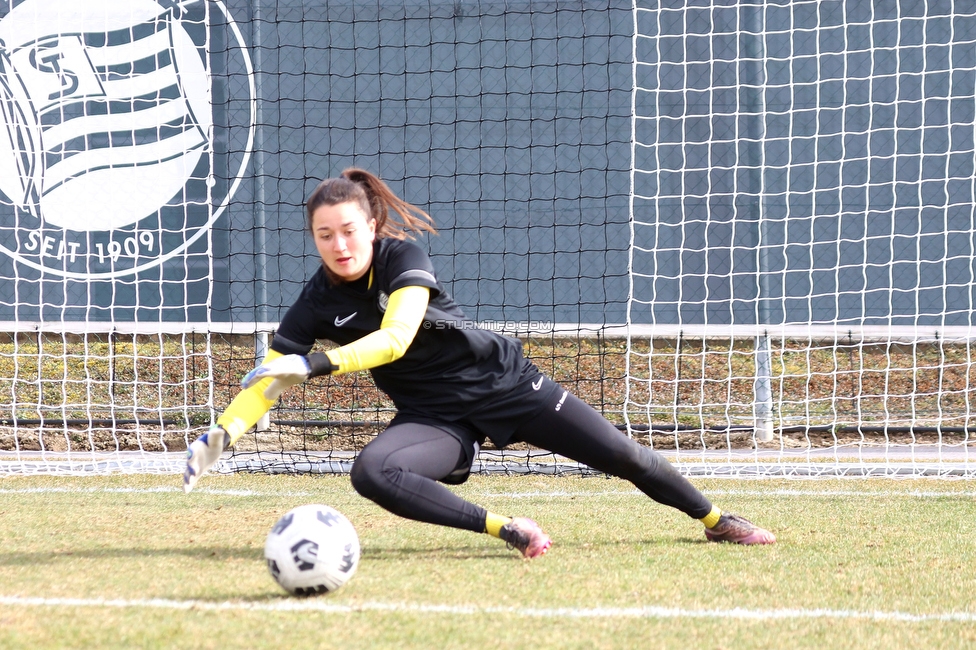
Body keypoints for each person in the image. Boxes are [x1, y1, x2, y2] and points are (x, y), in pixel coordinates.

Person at [183, 168, 775, 557]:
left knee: (623, 455)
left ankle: (716, 518)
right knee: (372, 472)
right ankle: (507, 529)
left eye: (348, 231)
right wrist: (224, 431)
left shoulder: (401, 257)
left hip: (505, 385)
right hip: (435, 416)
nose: (338, 245)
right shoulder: (316, 299)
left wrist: (312, 367)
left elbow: (395, 338)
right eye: (323, 235)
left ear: (372, 226)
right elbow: (267, 377)